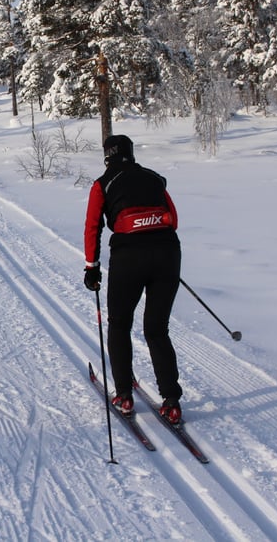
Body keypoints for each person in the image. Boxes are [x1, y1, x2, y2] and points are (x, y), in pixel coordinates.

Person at [83, 134, 184, 424]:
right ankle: (171, 400)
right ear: (131, 153)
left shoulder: (102, 184)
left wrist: (92, 267)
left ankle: (124, 395)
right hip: (167, 253)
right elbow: (172, 218)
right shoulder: (154, 178)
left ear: (107, 156)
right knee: (156, 329)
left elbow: (93, 227)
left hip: (129, 256)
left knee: (119, 324)